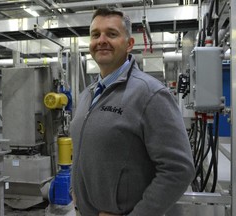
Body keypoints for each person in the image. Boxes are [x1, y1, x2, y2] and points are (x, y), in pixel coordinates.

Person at [70, 7, 195, 216]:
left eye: (111, 34)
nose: (101, 40)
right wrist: (77, 191)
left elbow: (179, 169)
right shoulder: (87, 95)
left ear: (129, 44)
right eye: (95, 34)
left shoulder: (150, 94)